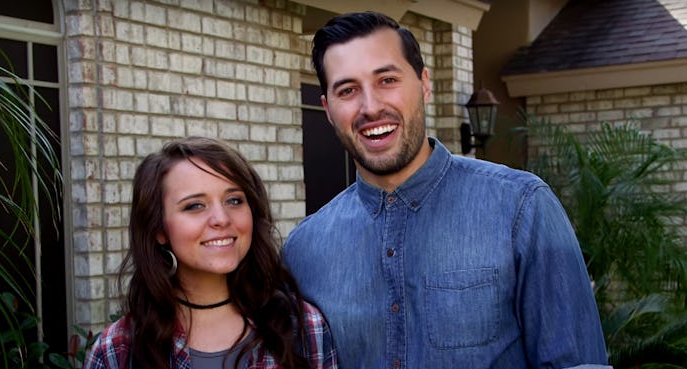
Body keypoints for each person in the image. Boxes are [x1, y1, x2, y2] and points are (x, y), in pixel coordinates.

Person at [281, 11, 610, 369]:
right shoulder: (303, 252)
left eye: (387, 79)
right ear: (328, 109)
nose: (371, 107)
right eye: (347, 90)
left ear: (424, 84)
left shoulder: (521, 208)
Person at [84, 137, 338, 369]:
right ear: (158, 229)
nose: (221, 218)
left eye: (234, 200)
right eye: (195, 206)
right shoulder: (117, 350)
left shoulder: (304, 329)